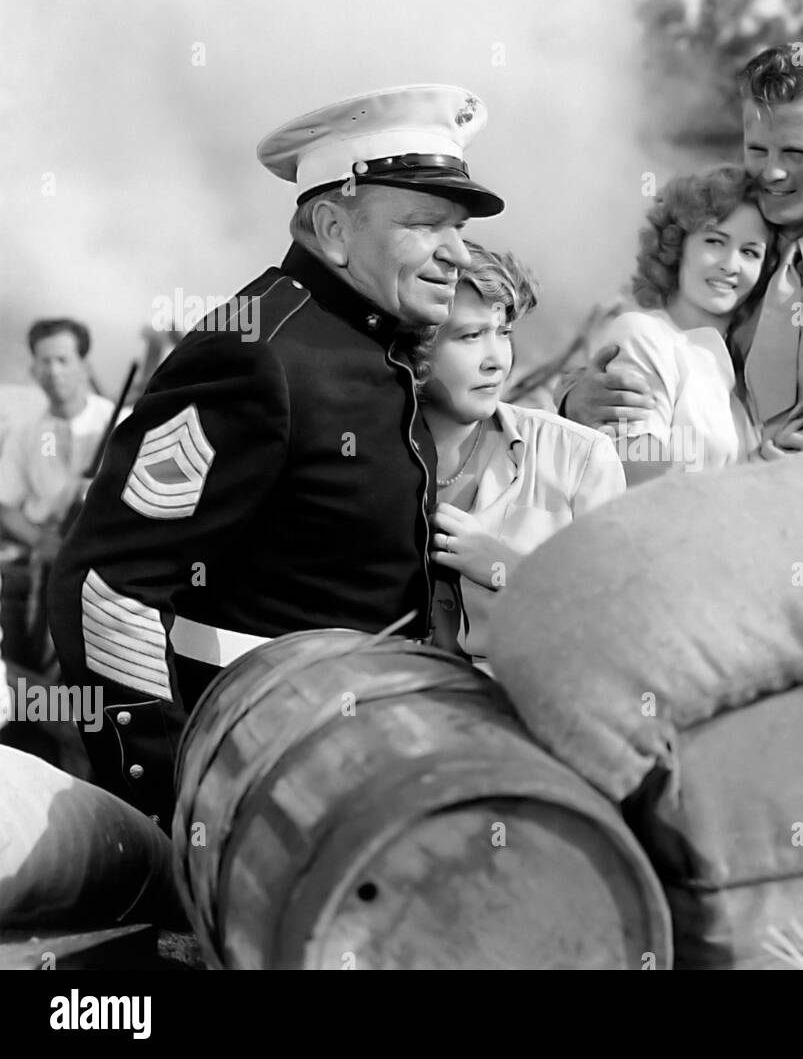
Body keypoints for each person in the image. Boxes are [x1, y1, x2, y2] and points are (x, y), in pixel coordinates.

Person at [47, 84, 505, 823]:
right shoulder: (255, 350)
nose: (456, 252)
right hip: (266, 775)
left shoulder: (372, 339)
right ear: (331, 227)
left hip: (363, 758)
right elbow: (107, 583)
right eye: (424, 224)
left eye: (456, 226)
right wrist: (174, 796)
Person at [562, 44, 803, 457]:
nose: (773, 171)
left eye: (795, 152)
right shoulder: (714, 254)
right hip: (711, 506)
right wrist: (576, 399)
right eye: (757, 150)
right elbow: (638, 337)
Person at [407, 241, 625, 672]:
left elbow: (625, 621)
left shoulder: (580, 458)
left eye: (503, 333)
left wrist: (510, 572)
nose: (497, 361)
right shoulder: (371, 457)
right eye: (471, 336)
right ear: (415, 350)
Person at [599, 165, 775, 483]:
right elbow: (639, 476)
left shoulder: (738, 371)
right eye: (714, 241)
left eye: (750, 252)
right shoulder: (643, 335)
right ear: (676, 245)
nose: (730, 265)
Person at [0, 320, 117, 670]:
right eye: (45, 361)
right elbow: (6, 506)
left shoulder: (121, 422)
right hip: (45, 570)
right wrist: (41, 541)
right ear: (34, 368)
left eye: (63, 360)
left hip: (104, 574)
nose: (54, 371)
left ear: (84, 365)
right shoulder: (27, 434)